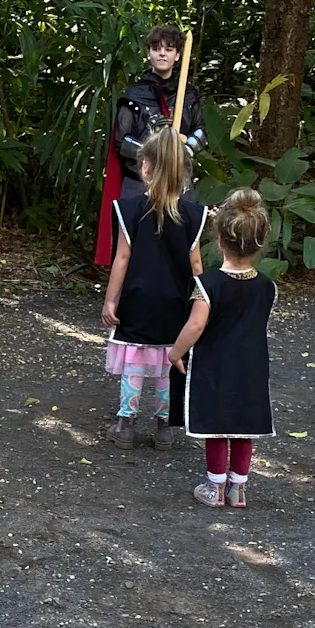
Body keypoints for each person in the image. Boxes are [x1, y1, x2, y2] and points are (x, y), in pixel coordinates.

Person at [101, 128, 206, 450]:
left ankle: (126, 422)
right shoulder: (193, 214)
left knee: (134, 361)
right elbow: (197, 266)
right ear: (182, 170)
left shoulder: (129, 209)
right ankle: (164, 427)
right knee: (170, 361)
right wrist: (200, 305)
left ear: (145, 166)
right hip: (176, 304)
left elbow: (122, 257)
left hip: (137, 298)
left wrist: (110, 300)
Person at [170, 189, 275, 507]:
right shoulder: (268, 286)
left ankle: (214, 486)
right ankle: (238, 489)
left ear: (219, 240)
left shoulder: (207, 286)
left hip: (216, 365)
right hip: (252, 367)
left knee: (217, 425)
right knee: (245, 426)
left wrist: (175, 352)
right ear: (259, 242)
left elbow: (196, 326)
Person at [94, 23, 207, 267]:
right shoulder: (134, 96)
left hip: (179, 180)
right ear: (149, 54)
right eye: (156, 49)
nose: (162, 53)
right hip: (141, 181)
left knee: (181, 245)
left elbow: (201, 132)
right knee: (136, 248)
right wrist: (156, 155)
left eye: (169, 49)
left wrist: (181, 151)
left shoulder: (188, 95)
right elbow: (121, 142)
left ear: (178, 55)